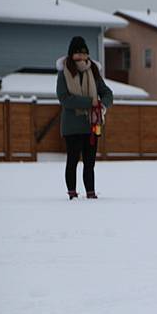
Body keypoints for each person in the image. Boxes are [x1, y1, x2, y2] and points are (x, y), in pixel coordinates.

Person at [56, 36, 113, 200]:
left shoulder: (93, 71)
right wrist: (90, 102)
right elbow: (64, 98)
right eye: (77, 53)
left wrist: (103, 105)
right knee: (72, 161)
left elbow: (107, 93)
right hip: (72, 126)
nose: (81, 57)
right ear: (71, 54)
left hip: (91, 125)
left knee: (90, 163)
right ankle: (72, 193)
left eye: (84, 53)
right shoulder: (64, 73)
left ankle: (90, 192)